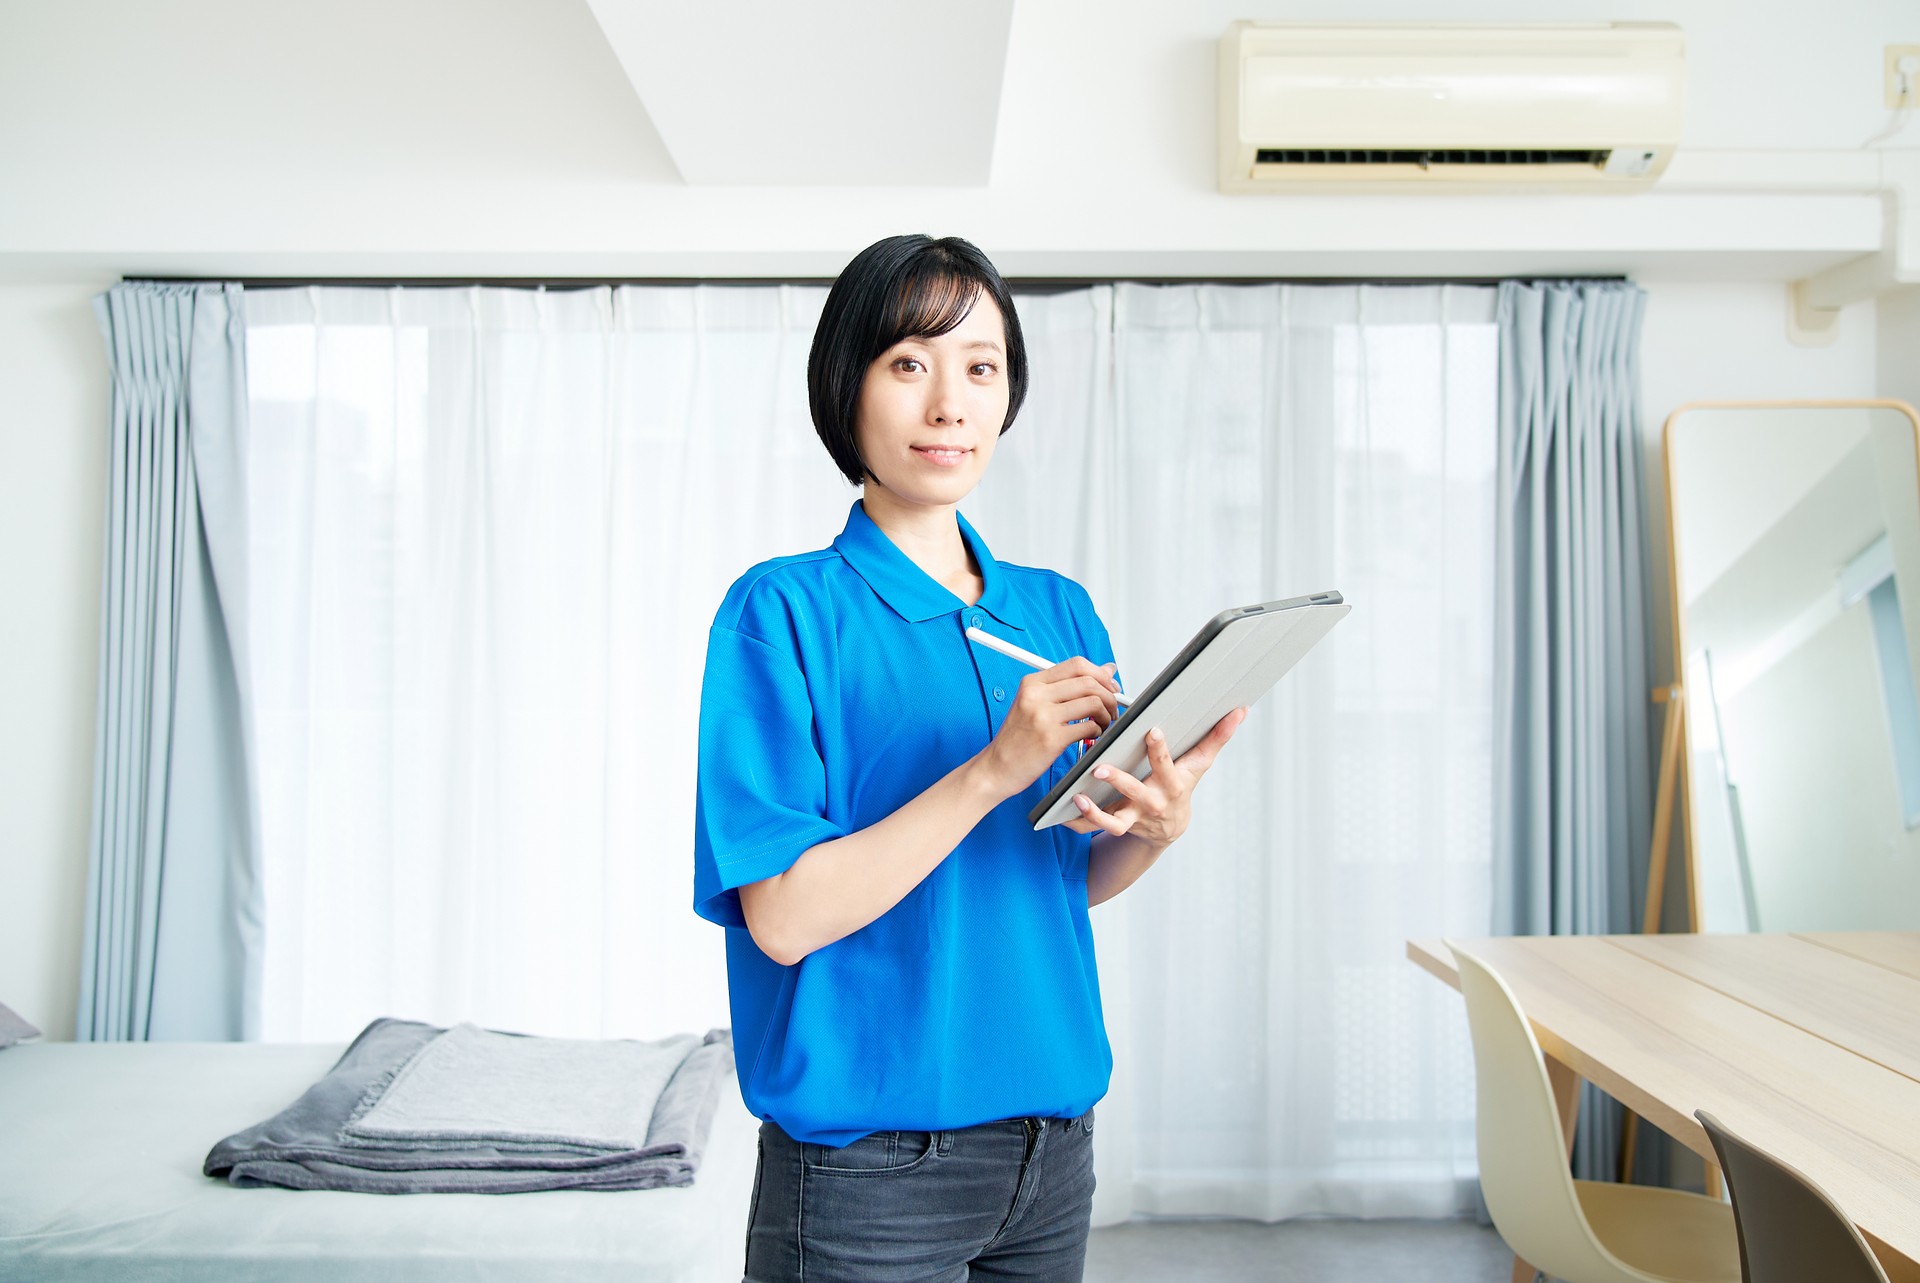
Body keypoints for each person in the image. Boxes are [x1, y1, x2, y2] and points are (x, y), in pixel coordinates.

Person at [692, 233, 1248, 1282]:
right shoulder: (782, 611)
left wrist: (1156, 828)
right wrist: (991, 768)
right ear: (845, 386)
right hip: (865, 1175)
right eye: (910, 363)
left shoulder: (1056, 609)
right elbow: (785, 915)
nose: (950, 402)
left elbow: (1059, 878)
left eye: (980, 366)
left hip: (1051, 1150)